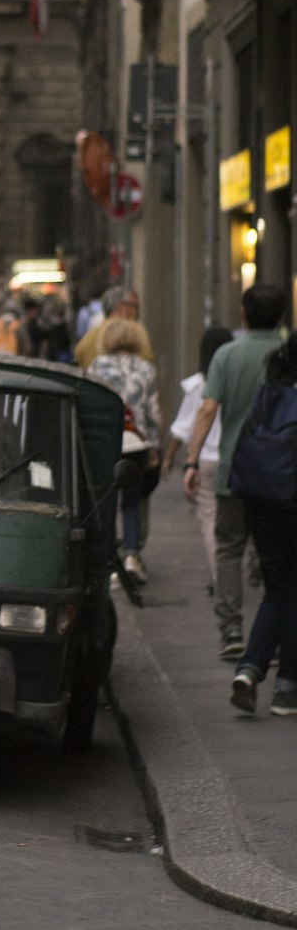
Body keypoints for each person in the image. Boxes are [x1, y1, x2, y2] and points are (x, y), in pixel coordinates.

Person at [183, 283, 286, 659]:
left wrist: (192, 460)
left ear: (243, 313)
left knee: (229, 550)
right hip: (281, 476)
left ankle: (231, 630)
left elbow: (208, 410)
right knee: (273, 554)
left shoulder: (227, 354)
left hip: (234, 471)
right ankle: (271, 633)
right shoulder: (287, 353)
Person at [228, 330, 297, 717]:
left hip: (263, 501)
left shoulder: (271, 392)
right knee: (292, 592)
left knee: (278, 589)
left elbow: (246, 439)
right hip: (292, 502)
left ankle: (250, 669)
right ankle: (287, 687)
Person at [89, 318, 162, 585]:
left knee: (107, 502)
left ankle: (109, 563)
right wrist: (154, 447)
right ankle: (131, 555)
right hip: (136, 443)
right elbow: (154, 413)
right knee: (131, 501)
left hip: (107, 441)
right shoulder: (146, 369)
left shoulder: (97, 366)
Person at [162, 326, 234, 588]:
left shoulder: (198, 385)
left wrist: (170, 457)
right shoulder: (236, 380)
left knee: (210, 521)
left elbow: (182, 428)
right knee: (236, 522)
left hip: (205, 460)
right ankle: (236, 573)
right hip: (234, 458)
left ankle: (221, 578)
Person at [74, 286, 154, 370]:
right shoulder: (136, 338)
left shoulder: (86, 341)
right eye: (135, 306)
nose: (138, 313)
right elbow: (147, 360)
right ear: (121, 307)